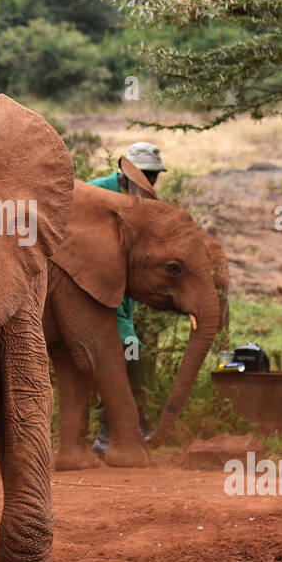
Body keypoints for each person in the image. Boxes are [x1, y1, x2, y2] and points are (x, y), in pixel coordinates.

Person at [87, 142, 165, 456]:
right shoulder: (95, 193)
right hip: (96, 288)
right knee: (128, 350)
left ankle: (111, 434)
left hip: (123, 294)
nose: (151, 180)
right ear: (126, 171)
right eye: (145, 174)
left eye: (154, 175)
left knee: (126, 354)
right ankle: (132, 425)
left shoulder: (143, 201)